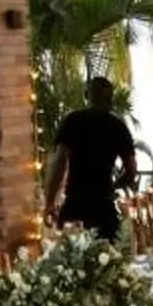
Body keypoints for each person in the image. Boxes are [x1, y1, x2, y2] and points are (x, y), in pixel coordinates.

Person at [48, 76, 137, 242]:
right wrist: (114, 186)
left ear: (86, 95)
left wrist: (49, 202)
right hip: (104, 208)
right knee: (108, 262)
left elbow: (59, 163)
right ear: (110, 98)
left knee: (71, 262)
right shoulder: (117, 127)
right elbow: (131, 171)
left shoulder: (72, 121)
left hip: (75, 204)